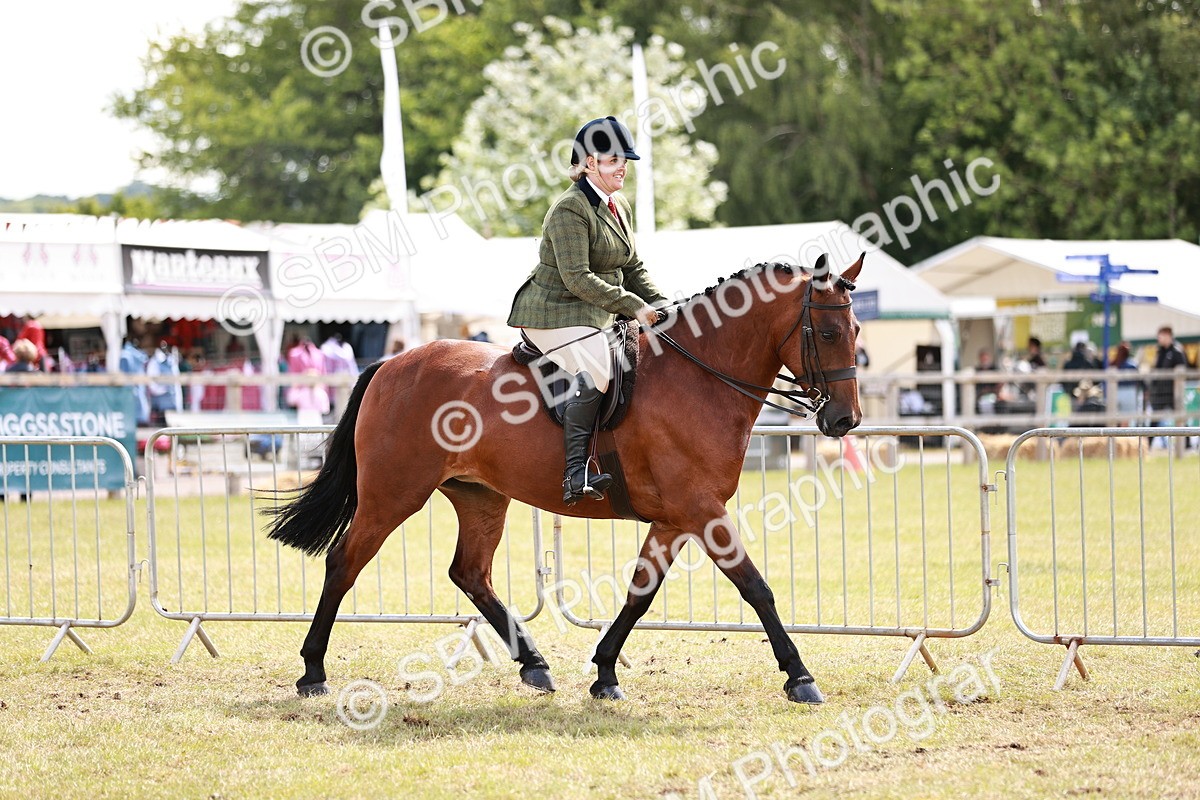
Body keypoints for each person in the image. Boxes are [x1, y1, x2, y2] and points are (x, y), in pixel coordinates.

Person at [507, 116, 666, 505]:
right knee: (598, 364)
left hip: (595, 313)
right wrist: (633, 306)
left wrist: (664, 305)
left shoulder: (618, 205)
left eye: (625, 161)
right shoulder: (568, 209)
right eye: (614, 161)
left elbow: (631, 267)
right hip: (553, 312)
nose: (623, 168)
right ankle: (575, 474)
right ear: (590, 163)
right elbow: (577, 279)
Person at [1147, 325, 1187, 432]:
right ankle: (1148, 444)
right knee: (1155, 419)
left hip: (1174, 393)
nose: (1159, 339)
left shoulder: (1176, 351)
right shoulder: (1160, 352)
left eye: (1161, 336)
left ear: (1168, 336)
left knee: (1180, 417)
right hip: (1160, 392)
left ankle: (1186, 442)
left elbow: (1183, 370)